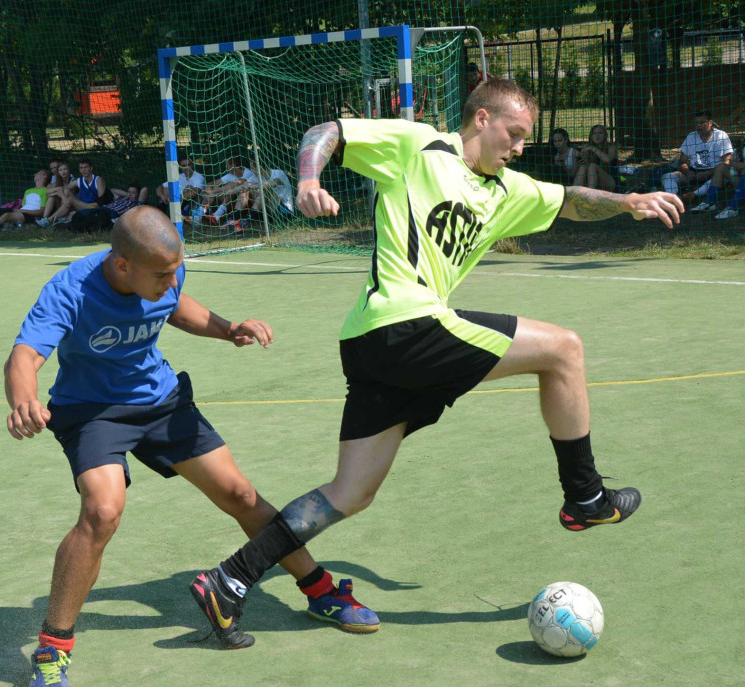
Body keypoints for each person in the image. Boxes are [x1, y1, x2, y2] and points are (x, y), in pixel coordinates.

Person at [187, 78, 683, 649]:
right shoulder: (421, 145)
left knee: (350, 492)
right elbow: (326, 132)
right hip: (404, 324)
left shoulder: (508, 190)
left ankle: (229, 579)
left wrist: (628, 203)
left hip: (379, 346)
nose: (521, 146)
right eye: (514, 134)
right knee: (563, 348)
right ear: (480, 120)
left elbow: (568, 199)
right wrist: (307, 178)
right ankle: (586, 496)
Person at [7, 206, 380, 687]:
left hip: (161, 401)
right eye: (161, 273)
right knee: (102, 511)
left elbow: (175, 304)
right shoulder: (69, 290)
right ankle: (52, 649)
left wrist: (228, 328)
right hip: (92, 413)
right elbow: (25, 356)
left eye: (175, 269)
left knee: (241, 494)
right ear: (121, 266)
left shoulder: (165, 269)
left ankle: (320, 590)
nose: (171, 278)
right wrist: (23, 398)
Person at [660, 110, 733, 212]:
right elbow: (682, 162)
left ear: (710, 123)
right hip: (694, 172)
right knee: (668, 176)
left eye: (702, 122)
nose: (698, 125)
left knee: (720, 177)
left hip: (714, 172)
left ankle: (692, 195)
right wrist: (687, 171)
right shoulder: (691, 137)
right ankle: (673, 199)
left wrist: (707, 173)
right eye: (696, 123)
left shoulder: (721, 136)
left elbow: (727, 162)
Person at [48, 159, 111, 223]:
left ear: (91, 168)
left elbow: (101, 202)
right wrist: (55, 193)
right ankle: (51, 219)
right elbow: (63, 188)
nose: (83, 170)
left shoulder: (98, 180)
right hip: (82, 206)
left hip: (93, 207)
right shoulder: (79, 181)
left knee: (70, 199)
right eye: (81, 168)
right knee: (66, 192)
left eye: (86, 167)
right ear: (79, 170)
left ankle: (50, 219)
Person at [572, 124, 618, 191]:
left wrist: (593, 148)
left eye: (600, 133)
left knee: (592, 166)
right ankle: (574, 193)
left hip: (610, 182)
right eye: (595, 133)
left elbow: (607, 159)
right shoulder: (588, 149)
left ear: (605, 135)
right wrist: (581, 159)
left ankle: (590, 194)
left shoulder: (611, 147)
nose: (597, 136)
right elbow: (575, 171)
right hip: (592, 181)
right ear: (591, 136)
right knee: (583, 167)